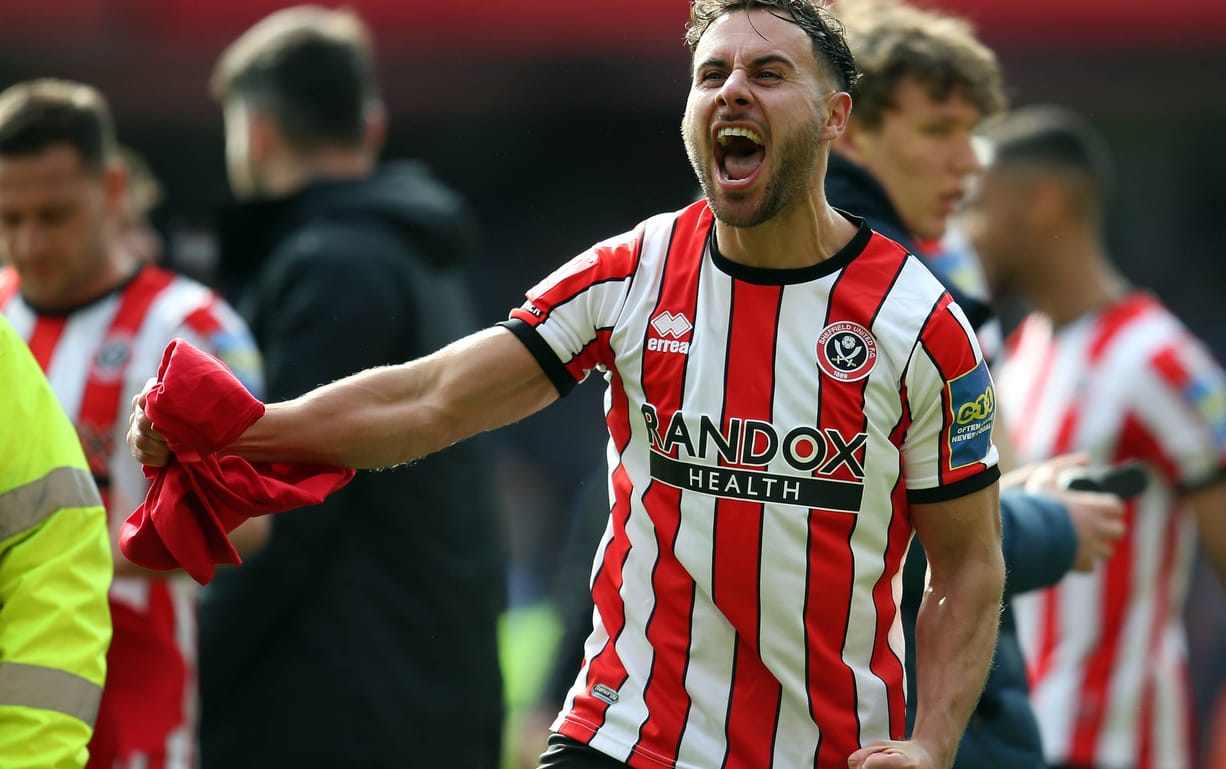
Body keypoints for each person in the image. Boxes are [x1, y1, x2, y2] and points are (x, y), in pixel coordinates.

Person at [132, 1, 1008, 768]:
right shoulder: (631, 273)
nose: (732, 90)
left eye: (769, 73)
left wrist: (930, 742)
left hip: (824, 748)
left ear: (833, 117)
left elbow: (968, 563)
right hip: (621, 737)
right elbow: (430, 397)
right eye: (711, 75)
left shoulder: (921, 325)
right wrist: (240, 430)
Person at [963, 104, 1226, 769]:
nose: (966, 231)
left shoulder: (1160, 360)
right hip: (1021, 737)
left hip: (1119, 744)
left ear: (1044, 202)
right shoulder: (1022, 354)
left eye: (980, 207)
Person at [197, 7, 505, 769]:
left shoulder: (333, 265)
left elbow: (283, 508)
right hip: (431, 689)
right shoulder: (417, 256)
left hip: (335, 710)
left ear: (257, 132)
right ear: (371, 126)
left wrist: (193, 671)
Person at [823, 4, 1126, 767]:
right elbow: (909, 537)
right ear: (849, 127)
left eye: (972, 131)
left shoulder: (908, 267)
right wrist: (1054, 524)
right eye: (937, 130)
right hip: (924, 721)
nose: (970, 159)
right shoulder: (883, 292)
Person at [0, 78, 266, 769]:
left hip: (139, 717)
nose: (29, 243)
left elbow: (251, 517)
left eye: (54, 215)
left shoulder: (194, 329)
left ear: (114, 189)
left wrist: (63, 550)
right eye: (9, 217)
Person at [0, 314, 113, 769]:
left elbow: (52, 541)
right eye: (13, 234)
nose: (30, 247)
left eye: (52, 233)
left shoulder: (183, 318)